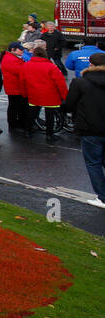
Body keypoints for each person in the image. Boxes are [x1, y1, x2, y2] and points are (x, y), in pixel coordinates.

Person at [63, 52, 105, 208]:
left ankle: (102, 197)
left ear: (91, 65)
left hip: (89, 128)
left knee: (93, 163)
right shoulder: (80, 82)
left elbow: (69, 104)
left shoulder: (80, 82)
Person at [23, 45, 68, 142]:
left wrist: (24, 93)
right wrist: (65, 96)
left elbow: (22, 81)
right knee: (50, 116)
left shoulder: (26, 65)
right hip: (50, 95)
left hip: (33, 94)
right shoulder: (51, 67)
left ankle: (28, 131)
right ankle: (49, 134)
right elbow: (60, 83)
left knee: (32, 113)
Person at [1, 41, 31, 133]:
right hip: (15, 88)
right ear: (13, 50)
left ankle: (17, 124)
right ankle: (14, 125)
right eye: (20, 49)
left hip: (15, 87)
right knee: (15, 107)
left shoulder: (12, 57)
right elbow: (20, 71)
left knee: (16, 107)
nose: (22, 51)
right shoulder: (10, 59)